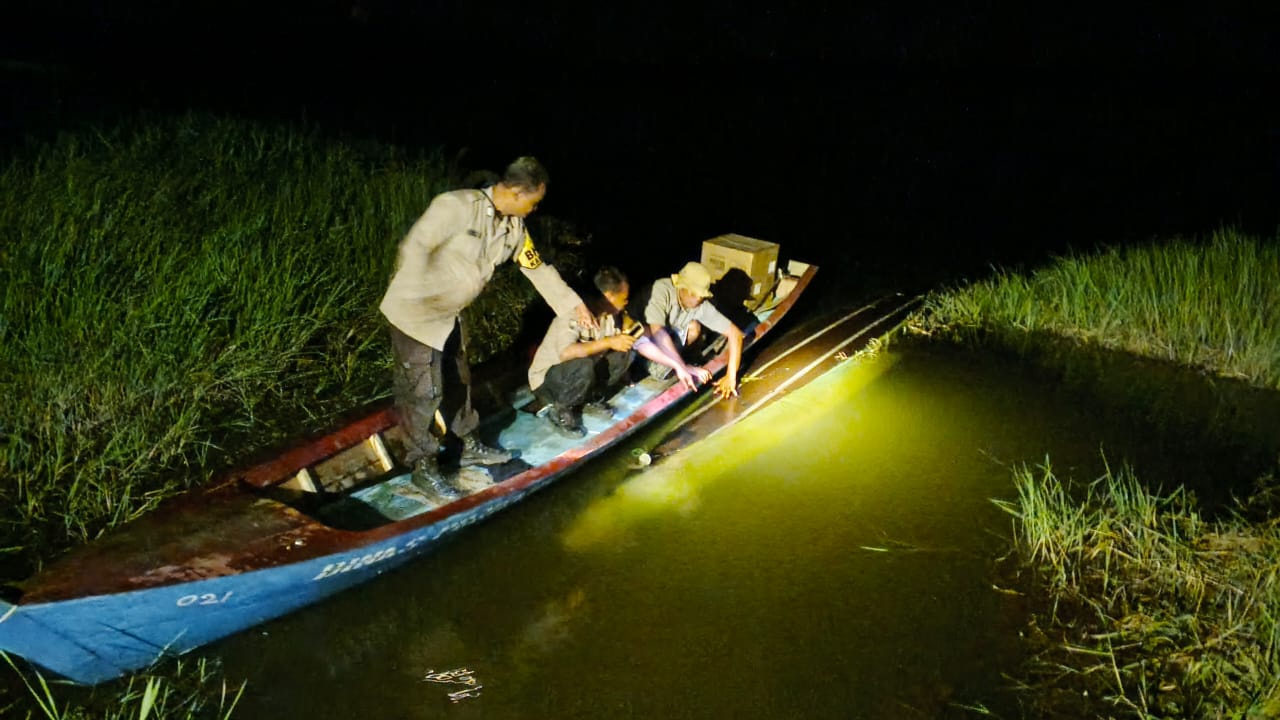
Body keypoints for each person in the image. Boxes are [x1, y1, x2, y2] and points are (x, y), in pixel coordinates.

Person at [379, 156, 596, 503]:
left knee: (459, 379)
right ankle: (423, 466)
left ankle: (467, 444)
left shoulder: (515, 229)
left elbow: (537, 269)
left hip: (451, 314)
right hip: (415, 313)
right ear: (515, 190)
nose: (534, 209)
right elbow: (414, 248)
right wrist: (427, 295)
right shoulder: (455, 206)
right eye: (534, 201)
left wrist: (574, 305)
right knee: (422, 392)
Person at [642, 261, 744, 399]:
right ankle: (674, 367)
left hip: (669, 337)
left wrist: (730, 377)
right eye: (694, 294)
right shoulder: (662, 291)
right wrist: (684, 367)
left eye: (701, 296)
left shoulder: (700, 304)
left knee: (694, 327)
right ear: (681, 287)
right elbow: (658, 333)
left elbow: (735, 334)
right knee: (659, 371)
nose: (698, 299)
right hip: (641, 345)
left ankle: (679, 363)